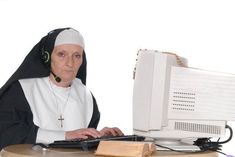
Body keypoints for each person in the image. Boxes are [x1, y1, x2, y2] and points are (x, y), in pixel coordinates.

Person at [0, 27, 123, 149]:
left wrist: (99, 137)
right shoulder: (20, 91)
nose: (70, 63)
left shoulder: (86, 96)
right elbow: (7, 134)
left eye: (77, 56)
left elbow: (82, 146)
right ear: (47, 57)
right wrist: (65, 135)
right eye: (61, 54)